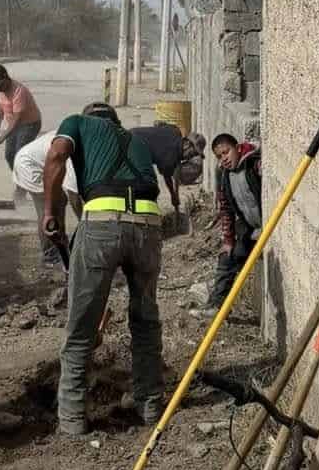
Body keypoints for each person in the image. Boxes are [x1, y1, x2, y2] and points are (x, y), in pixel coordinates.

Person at [42, 101, 164, 436]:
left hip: (101, 226)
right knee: (145, 320)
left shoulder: (76, 122)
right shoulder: (136, 140)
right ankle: (150, 405)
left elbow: (56, 156)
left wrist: (49, 212)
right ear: (115, 121)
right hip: (149, 226)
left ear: (87, 117)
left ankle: (71, 418)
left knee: (81, 325)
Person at [11, 129, 82, 272]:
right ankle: (50, 254)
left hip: (33, 161)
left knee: (60, 201)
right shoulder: (70, 150)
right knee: (48, 209)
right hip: (30, 166)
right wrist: (85, 222)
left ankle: (60, 242)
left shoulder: (72, 132)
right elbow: (74, 195)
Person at [209, 131, 264, 309]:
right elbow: (226, 210)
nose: (223, 159)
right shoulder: (225, 176)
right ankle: (216, 306)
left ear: (237, 148)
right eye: (219, 156)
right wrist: (228, 240)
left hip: (268, 228)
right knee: (227, 257)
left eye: (226, 152)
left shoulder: (254, 163)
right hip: (251, 229)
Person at [126, 120, 196, 213]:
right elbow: (167, 177)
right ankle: (143, 213)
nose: (190, 157)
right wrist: (173, 195)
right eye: (192, 153)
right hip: (133, 147)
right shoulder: (170, 157)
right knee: (149, 186)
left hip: (131, 133)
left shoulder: (175, 131)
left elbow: (159, 123)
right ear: (186, 144)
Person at [0, 63, 42, 170]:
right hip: (13, 125)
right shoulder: (0, 90)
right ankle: (19, 177)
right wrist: (0, 110)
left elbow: (17, 119)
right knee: (9, 155)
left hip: (29, 124)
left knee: (20, 154)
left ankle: (26, 181)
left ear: (6, 78)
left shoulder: (19, 91)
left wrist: (1, 138)